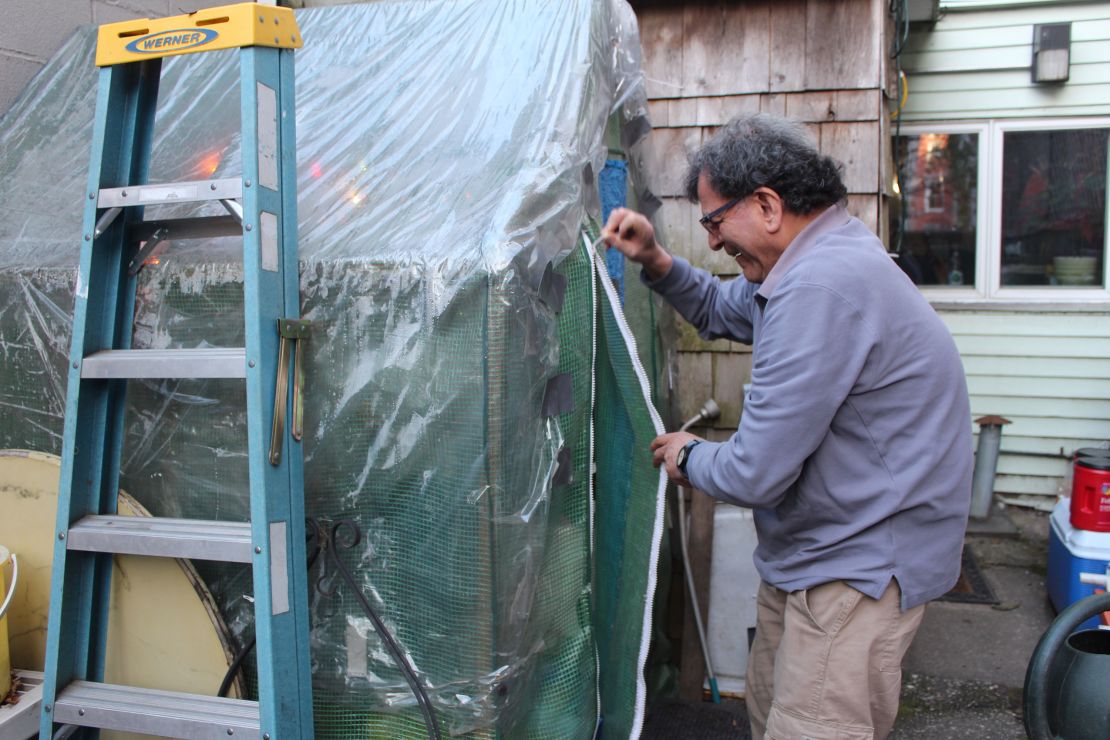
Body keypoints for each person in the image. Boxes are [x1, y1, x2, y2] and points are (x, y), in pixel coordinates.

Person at [601, 113, 972, 740]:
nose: (714, 243)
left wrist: (690, 456)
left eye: (715, 223)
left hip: (857, 570)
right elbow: (721, 307)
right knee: (774, 715)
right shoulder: (806, 262)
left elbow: (756, 471)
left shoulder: (820, 285)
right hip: (815, 555)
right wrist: (657, 259)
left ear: (768, 205)